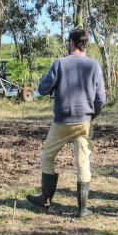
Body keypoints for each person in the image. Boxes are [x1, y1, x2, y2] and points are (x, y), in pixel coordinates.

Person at [28, 28, 106, 217]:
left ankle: (46, 198)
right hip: (84, 122)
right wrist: (91, 116)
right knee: (82, 162)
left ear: (71, 42)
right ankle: (83, 209)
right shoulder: (94, 66)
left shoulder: (60, 63)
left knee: (47, 156)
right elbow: (101, 99)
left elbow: (43, 88)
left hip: (62, 121)